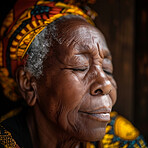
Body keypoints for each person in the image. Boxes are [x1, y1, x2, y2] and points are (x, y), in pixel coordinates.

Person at [0, 0, 147, 147]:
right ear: (29, 84)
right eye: (80, 67)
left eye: (107, 69)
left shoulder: (120, 138)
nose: (106, 84)